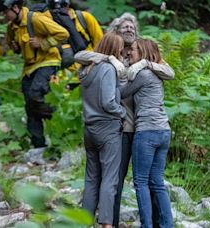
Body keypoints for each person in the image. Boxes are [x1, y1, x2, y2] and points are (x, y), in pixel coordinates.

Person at [108, 12, 175, 227]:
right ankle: (166, 225)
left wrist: (110, 75)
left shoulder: (144, 72)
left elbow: (122, 91)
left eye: (135, 49)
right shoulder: (146, 71)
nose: (131, 51)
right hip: (163, 130)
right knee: (157, 183)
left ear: (143, 53)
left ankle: (147, 224)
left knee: (141, 182)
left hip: (145, 131)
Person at [0, 0, 69, 148]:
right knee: (30, 105)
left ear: (16, 8)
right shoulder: (12, 27)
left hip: (48, 61)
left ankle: (57, 117)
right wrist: (15, 47)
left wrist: (43, 42)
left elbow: (63, 33)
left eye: (6, 12)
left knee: (36, 94)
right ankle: (38, 145)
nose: (5, 16)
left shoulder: (35, 18)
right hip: (29, 67)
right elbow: (12, 44)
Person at [79, 32, 126, 228]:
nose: (123, 53)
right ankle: (106, 224)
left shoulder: (87, 69)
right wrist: (121, 111)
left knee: (91, 178)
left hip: (89, 129)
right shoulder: (107, 69)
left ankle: (84, 222)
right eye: (121, 49)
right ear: (115, 50)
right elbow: (108, 102)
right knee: (110, 178)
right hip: (107, 129)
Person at [45, 0, 103, 89]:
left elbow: (101, 45)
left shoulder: (84, 18)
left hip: (87, 74)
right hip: (60, 79)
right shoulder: (45, 22)